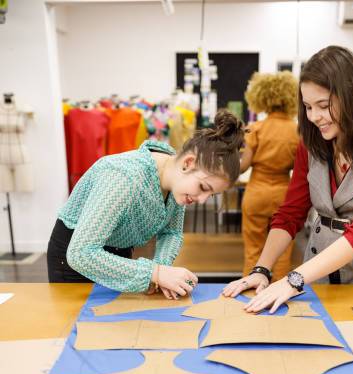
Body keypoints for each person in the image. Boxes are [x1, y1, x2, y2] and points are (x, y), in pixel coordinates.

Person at [224, 46, 353, 313]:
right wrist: (262, 269)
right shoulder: (311, 143)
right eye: (308, 107)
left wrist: (293, 279)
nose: (314, 117)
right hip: (318, 266)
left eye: (323, 106)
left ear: (352, 95)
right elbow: (291, 212)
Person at [48, 109, 245, 299]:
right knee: (81, 329)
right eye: (203, 187)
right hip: (75, 258)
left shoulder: (175, 180)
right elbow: (81, 254)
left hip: (117, 251)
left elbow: (171, 233)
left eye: (211, 195)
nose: (202, 200)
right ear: (188, 163)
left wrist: (161, 272)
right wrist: (155, 272)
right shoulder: (123, 177)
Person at [240, 71, 299, 279]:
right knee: (283, 251)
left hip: (256, 193)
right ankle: (278, 294)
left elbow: (242, 167)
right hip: (285, 195)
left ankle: (248, 294)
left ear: (261, 97)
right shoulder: (297, 131)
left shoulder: (256, 129)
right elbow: (300, 168)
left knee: (253, 250)